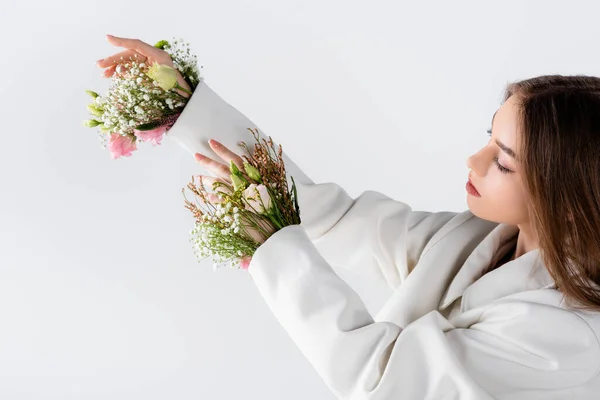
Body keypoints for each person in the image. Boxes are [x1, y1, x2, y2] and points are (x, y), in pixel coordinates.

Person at [98, 35, 600, 399]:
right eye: (488, 136)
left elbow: (380, 380)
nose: (474, 161)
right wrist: (184, 105)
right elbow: (331, 217)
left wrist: (272, 243)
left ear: (568, 197)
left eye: (503, 161)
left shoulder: (567, 336)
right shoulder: (477, 238)